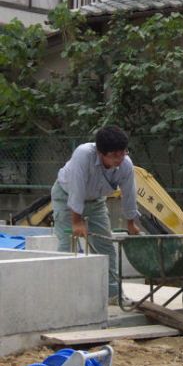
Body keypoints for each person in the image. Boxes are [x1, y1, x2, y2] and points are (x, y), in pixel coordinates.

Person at [51, 126, 140, 303]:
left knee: (105, 246)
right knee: (68, 245)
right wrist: (76, 221)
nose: (120, 159)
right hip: (66, 197)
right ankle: (62, 295)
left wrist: (131, 222)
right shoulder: (83, 155)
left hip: (96, 202)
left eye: (123, 153)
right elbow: (77, 188)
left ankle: (113, 294)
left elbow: (129, 193)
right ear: (100, 152)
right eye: (114, 155)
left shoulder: (125, 164)